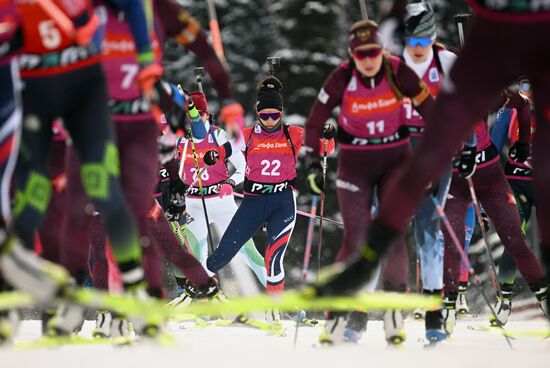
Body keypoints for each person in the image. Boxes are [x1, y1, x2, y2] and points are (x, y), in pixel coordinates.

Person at [313, 1, 550, 322]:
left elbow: (517, 101)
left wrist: (518, 139)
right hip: (452, 174)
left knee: (514, 240)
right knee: (448, 241)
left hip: (488, 171)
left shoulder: (459, 71)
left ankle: (540, 296)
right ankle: (443, 311)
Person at [12, 0, 164, 337]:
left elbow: (137, 9)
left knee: (103, 193)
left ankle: (132, 293)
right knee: (34, 201)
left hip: (84, 98)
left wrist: (143, 59)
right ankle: (33, 300)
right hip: (37, 103)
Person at [303, 19, 435, 345]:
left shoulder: (397, 70)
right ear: (351, 55)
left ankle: (393, 316)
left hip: (396, 161)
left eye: (373, 52)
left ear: (382, 50)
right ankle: (335, 319)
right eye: (361, 54)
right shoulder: (341, 77)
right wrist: (309, 162)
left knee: (391, 234)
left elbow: (431, 111)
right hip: (354, 165)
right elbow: (315, 121)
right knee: (355, 239)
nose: (368, 59)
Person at [400, 2, 476, 342]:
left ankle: (434, 316)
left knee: (428, 228)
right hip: (398, 150)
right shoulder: (390, 63)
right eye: (411, 43)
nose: (417, 50)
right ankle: (366, 309)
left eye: (423, 42)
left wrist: (470, 145)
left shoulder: (446, 62)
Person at [204, 76, 302, 322]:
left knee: (273, 255)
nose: (270, 120)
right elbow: (228, 149)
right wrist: (213, 155)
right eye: (265, 115)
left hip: (283, 202)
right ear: (258, 114)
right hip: (254, 201)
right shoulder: (248, 135)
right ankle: (201, 297)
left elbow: (324, 147)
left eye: (275, 115)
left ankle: (273, 309)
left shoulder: (293, 134)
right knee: (221, 255)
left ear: (281, 113)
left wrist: (327, 137)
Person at [177, 91, 266, 288]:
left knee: (248, 253)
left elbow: (244, 167)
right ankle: (205, 303)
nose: (194, 119)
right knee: (197, 259)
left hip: (221, 203)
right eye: (190, 115)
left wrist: (230, 183)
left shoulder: (217, 135)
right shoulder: (181, 140)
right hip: (194, 205)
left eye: (199, 115)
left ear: (207, 115)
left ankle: (280, 298)